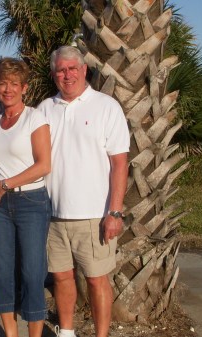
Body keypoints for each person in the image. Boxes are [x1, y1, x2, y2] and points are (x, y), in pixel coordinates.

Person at [37, 46, 130, 337]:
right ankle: (66, 332)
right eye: (61, 70)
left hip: (94, 216)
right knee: (61, 278)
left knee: (96, 280)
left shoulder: (106, 107)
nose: (67, 75)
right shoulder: (44, 109)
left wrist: (114, 211)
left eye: (72, 68)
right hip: (51, 214)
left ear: (84, 70)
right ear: (53, 75)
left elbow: (119, 163)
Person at [0, 57, 52, 337]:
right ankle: (10, 333)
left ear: (25, 88)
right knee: (2, 270)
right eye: (2, 83)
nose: (8, 89)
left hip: (32, 202)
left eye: (14, 84)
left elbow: (44, 165)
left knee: (33, 273)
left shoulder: (35, 118)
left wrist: (5, 184)